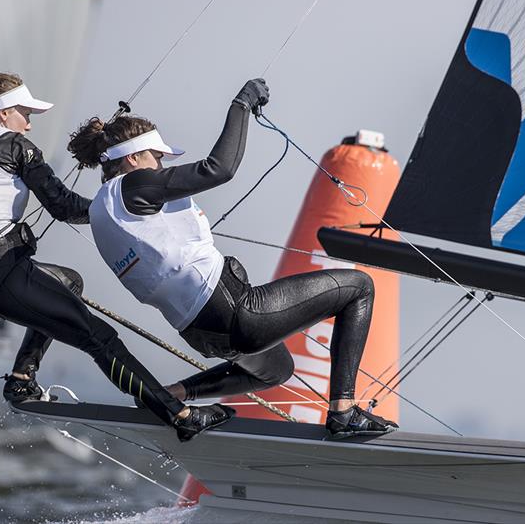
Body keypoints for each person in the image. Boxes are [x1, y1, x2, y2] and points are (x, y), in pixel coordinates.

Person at [67, 78, 399, 438]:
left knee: (276, 369)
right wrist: (241, 104)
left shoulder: (101, 208)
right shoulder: (136, 184)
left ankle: (172, 394)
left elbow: (65, 208)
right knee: (359, 286)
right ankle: (344, 411)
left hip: (199, 331)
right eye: (157, 157)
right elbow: (219, 169)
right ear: (133, 158)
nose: (162, 166)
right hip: (233, 312)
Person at [0, 67, 232, 442]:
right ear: (4, 113)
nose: (29, 125)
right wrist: (115, 208)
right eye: (27, 115)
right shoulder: (12, 145)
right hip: (1, 275)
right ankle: (180, 415)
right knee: (100, 339)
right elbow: (63, 205)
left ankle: (21, 379)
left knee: (68, 281)